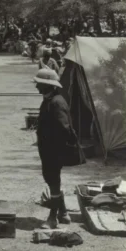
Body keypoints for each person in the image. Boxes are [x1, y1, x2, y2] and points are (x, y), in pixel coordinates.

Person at [33, 69, 75, 229]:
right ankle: (63, 214)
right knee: (52, 180)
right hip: (48, 149)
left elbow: (64, 128)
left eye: (39, 84)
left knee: (53, 181)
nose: (36, 87)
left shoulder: (56, 102)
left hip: (54, 150)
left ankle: (52, 218)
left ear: (47, 85)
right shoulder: (49, 100)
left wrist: (55, 146)